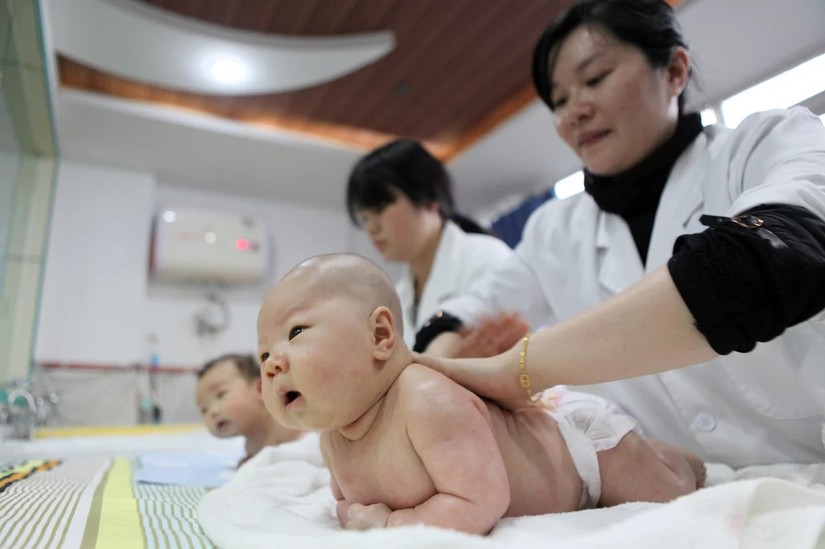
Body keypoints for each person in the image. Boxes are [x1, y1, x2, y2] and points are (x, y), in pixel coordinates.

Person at [413, 0, 825, 469]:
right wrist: (437, 362)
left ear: (673, 71)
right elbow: (471, 307)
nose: (574, 112)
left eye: (594, 79)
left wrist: (520, 369)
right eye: (560, 99)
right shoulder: (554, 230)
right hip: (682, 499)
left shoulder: (764, 144)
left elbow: (771, 256)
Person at [256, 253, 704, 535]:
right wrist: (358, 516)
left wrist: (393, 524)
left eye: (295, 332)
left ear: (379, 334)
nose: (273, 363)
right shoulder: (333, 439)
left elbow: (482, 502)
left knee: (666, 491)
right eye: (263, 354)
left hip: (578, 445)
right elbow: (349, 507)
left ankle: (675, 456)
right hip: (559, 460)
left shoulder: (424, 401)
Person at [346, 138, 516, 351]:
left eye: (379, 210)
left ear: (429, 197)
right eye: (365, 218)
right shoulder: (399, 295)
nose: (372, 229)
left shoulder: (486, 258)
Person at [196, 353, 304, 466]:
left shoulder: (288, 422)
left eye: (221, 395)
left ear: (259, 389)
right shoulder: (251, 446)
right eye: (204, 409)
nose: (213, 412)